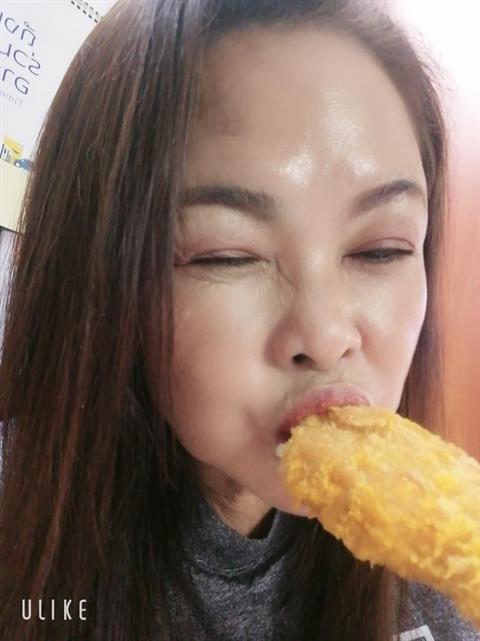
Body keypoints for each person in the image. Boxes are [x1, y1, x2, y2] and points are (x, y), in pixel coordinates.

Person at [0, 1, 478, 640]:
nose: (326, 336)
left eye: (381, 250)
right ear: (104, 275)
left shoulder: (439, 586)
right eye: (227, 255)